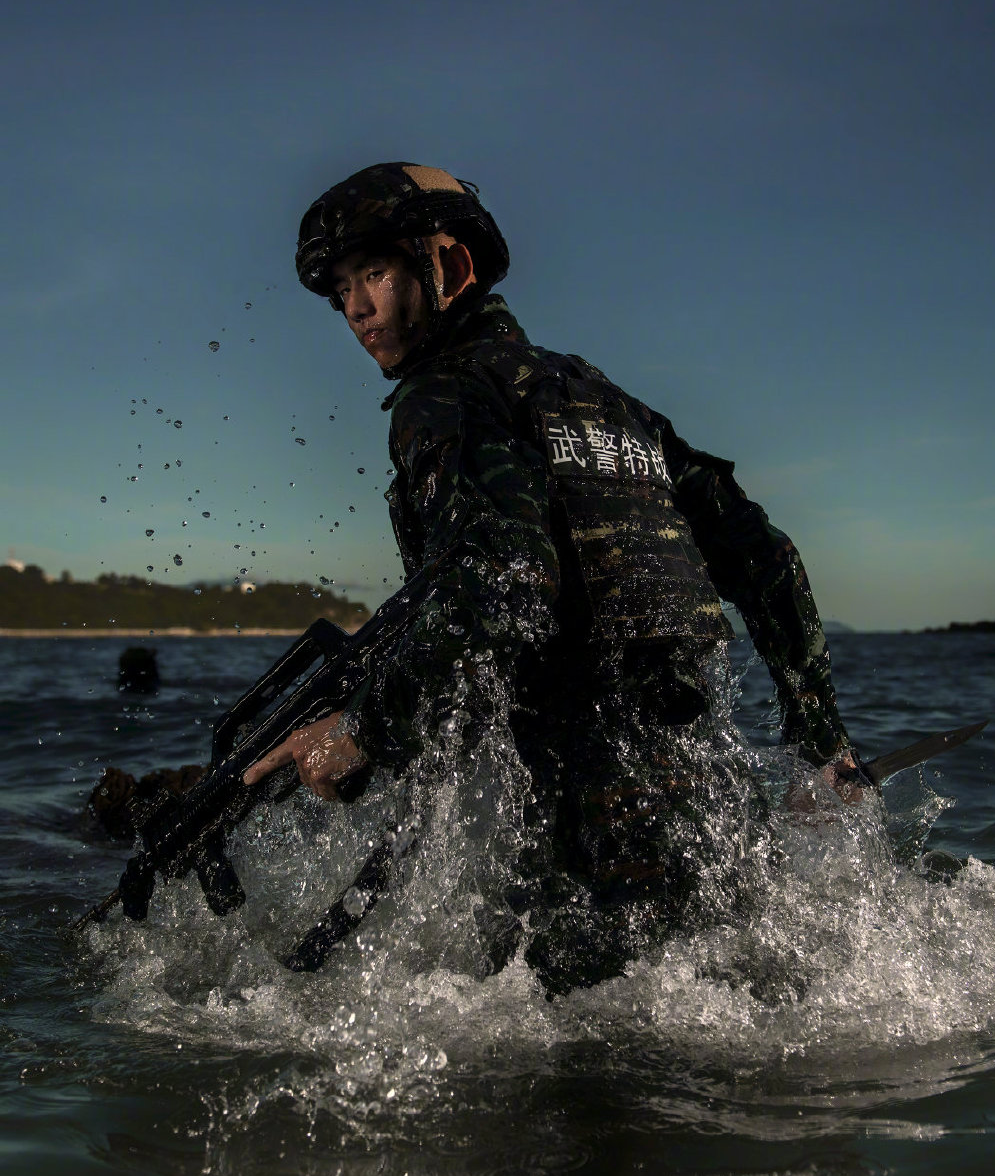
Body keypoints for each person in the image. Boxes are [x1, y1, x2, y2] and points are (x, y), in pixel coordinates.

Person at [244, 162, 863, 994]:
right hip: (712, 798)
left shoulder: (447, 397)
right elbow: (767, 557)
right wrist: (822, 742)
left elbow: (504, 583)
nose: (357, 309)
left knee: (585, 1076)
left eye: (378, 274)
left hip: (590, 818)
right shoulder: (604, 399)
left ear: (450, 269)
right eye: (344, 288)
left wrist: (362, 733)